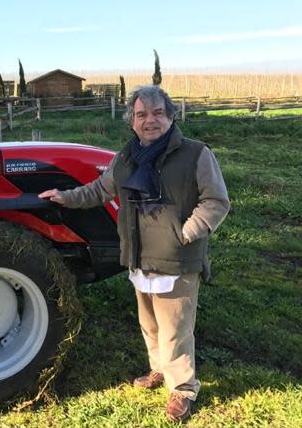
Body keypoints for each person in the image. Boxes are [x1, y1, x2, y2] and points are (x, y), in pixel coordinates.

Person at [39, 85, 230, 423]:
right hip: (140, 256)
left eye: (158, 113)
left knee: (176, 328)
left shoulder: (196, 154)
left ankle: (183, 388)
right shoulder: (126, 157)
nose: (150, 121)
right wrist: (65, 197)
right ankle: (159, 369)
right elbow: (99, 190)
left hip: (177, 257)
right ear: (132, 121)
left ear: (171, 117)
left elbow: (216, 201)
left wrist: (185, 233)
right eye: (142, 114)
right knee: (150, 324)